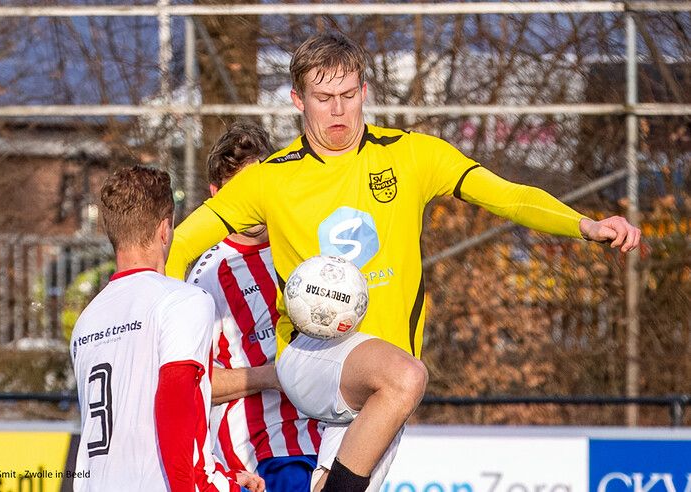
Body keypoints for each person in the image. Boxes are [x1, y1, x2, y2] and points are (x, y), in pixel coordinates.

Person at [167, 31, 641, 492]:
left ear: (364, 92)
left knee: (379, 413)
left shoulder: (412, 155)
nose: (338, 109)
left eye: (349, 95)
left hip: (380, 387)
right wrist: (159, 323)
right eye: (323, 96)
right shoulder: (270, 179)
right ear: (297, 100)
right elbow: (182, 243)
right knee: (408, 375)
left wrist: (585, 225)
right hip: (311, 361)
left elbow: (506, 196)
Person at [70, 165, 264, 492]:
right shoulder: (183, 300)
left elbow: (132, 429)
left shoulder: (86, 321)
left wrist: (224, 476)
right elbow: (177, 412)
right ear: (165, 229)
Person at [187, 122, 323, 491]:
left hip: (324, 443)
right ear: (216, 195)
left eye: (256, 188)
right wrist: (274, 376)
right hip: (259, 455)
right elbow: (192, 382)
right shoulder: (207, 276)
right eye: (237, 192)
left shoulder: (302, 246)